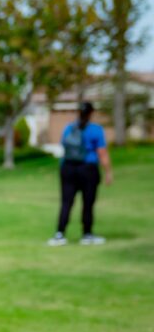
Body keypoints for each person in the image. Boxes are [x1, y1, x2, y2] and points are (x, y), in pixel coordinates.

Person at [48, 101, 113, 246]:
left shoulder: (68, 128)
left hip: (68, 168)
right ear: (91, 113)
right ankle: (87, 234)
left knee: (66, 202)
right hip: (88, 169)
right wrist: (108, 172)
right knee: (88, 202)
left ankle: (60, 234)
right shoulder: (96, 130)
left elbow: (63, 147)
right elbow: (102, 153)